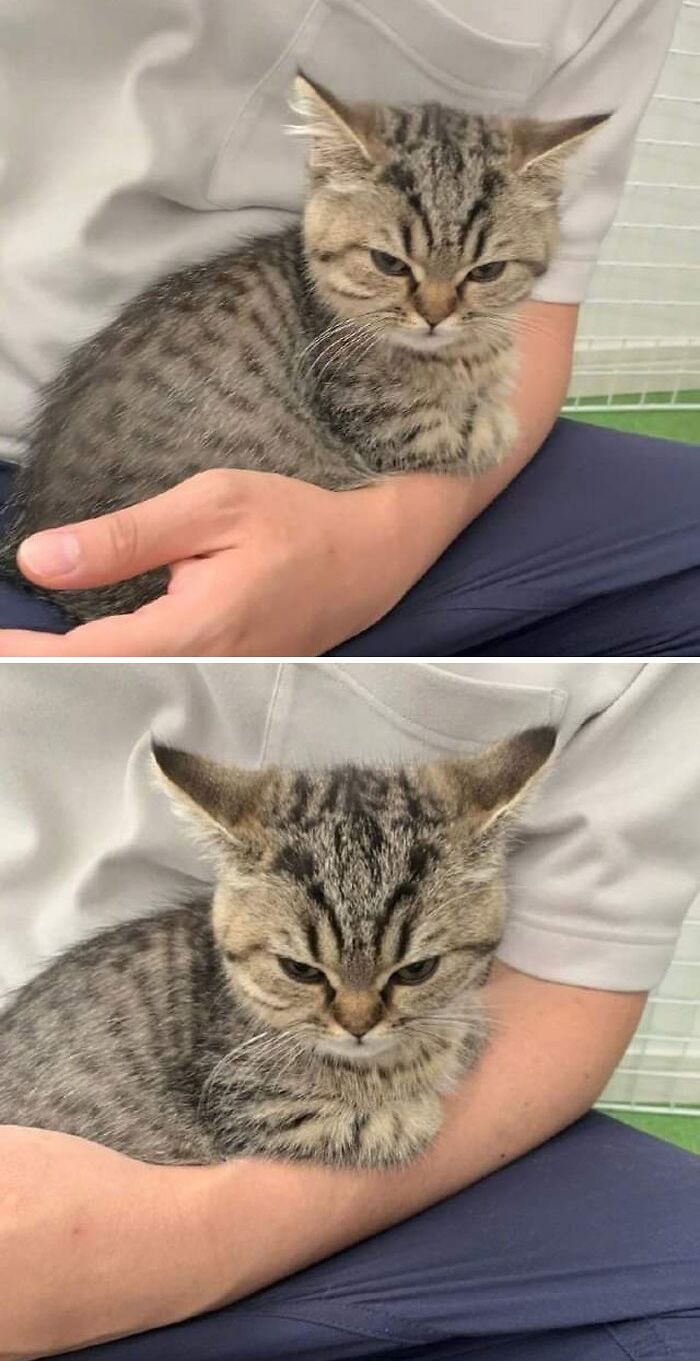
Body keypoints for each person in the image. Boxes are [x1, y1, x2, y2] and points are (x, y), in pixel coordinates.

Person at [1, 659, 698, 1359]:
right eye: (305, 971)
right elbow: (267, 1120)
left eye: (415, 968)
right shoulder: (234, 1024)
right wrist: (399, 1117)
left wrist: (203, 1243)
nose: (357, 1018)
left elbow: (583, 979)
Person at [0, 1, 698, 659]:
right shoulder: (333, 329)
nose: (435, 310)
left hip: (273, 505)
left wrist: (382, 548)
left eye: (479, 275)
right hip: (73, 490)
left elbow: (548, 303)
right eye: (395, 265)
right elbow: (384, 423)